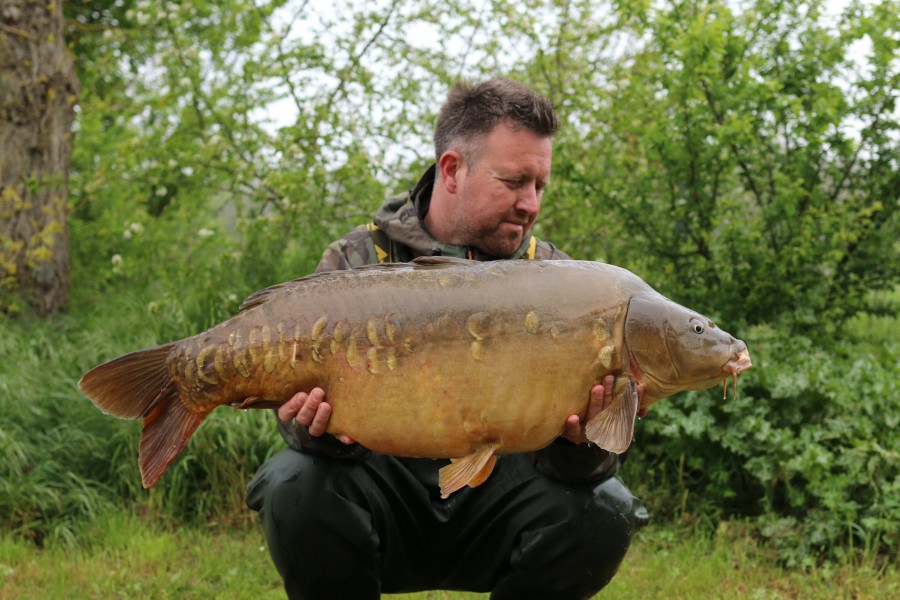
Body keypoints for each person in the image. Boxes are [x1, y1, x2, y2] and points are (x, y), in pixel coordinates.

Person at [246, 78, 648, 600]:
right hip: (386, 499)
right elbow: (306, 439)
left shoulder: (559, 281)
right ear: (453, 169)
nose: (530, 204)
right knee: (294, 479)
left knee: (607, 505)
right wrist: (311, 428)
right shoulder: (357, 264)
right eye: (514, 181)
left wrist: (584, 443)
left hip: (499, 508)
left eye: (540, 186)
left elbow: (582, 474)